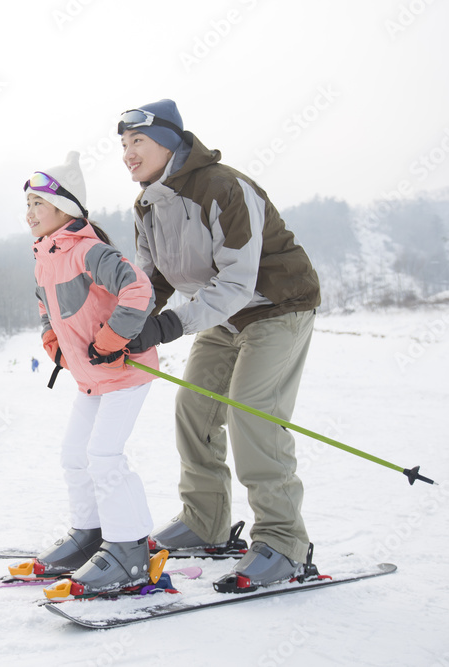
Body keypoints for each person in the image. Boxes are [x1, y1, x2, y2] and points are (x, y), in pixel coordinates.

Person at [117, 100, 321, 590]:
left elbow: (236, 280)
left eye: (137, 142)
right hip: (223, 314)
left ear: (167, 141)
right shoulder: (148, 204)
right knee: (195, 407)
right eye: (122, 145)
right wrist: (123, 326)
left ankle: (283, 542)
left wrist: (167, 327)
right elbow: (152, 278)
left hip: (276, 305)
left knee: (254, 412)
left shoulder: (224, 188)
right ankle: (205, 520)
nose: (127, 153)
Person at [14, 151, 160, 594]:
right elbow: (47, 308)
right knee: (75, 456)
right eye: (27, 206)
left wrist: (113, 338)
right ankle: (90, 535)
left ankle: (130, 550)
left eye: (38, 204)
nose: (29, 215)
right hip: (92, 378)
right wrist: (52, 342)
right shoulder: (45, 256)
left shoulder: (89, 250)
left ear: (65, 209)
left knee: (104, 457)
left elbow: (139, 288)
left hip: (126, 370)